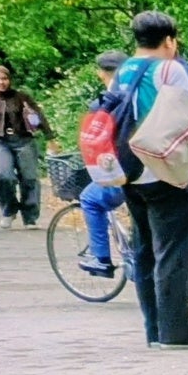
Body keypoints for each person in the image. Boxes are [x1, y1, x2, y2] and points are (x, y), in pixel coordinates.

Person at [111, 12, 188, 347]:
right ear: (169, 40)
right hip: (163, 170)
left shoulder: (122, 71)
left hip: (129, 172)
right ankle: (176, 335)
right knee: (174, 253)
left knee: (145, 252)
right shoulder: (170, 69)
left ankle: (154, 331)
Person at [74, 53, 130, 283]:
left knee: (90, 198)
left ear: (100, 73)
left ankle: (102, 259)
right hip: (158, 168)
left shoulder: (103, 105)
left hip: (125, 174)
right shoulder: (145, 94)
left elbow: (95, 144)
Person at [0, 65, 47, 226]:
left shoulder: (21, 96)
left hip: (24, 140)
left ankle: (30, 217)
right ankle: (9, 210)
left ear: (9, 80)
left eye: (4, 79)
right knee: (5, 176)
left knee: (29, 178)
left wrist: (50, 137)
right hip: (1, 142)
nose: (1, 82)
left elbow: (39, 116)